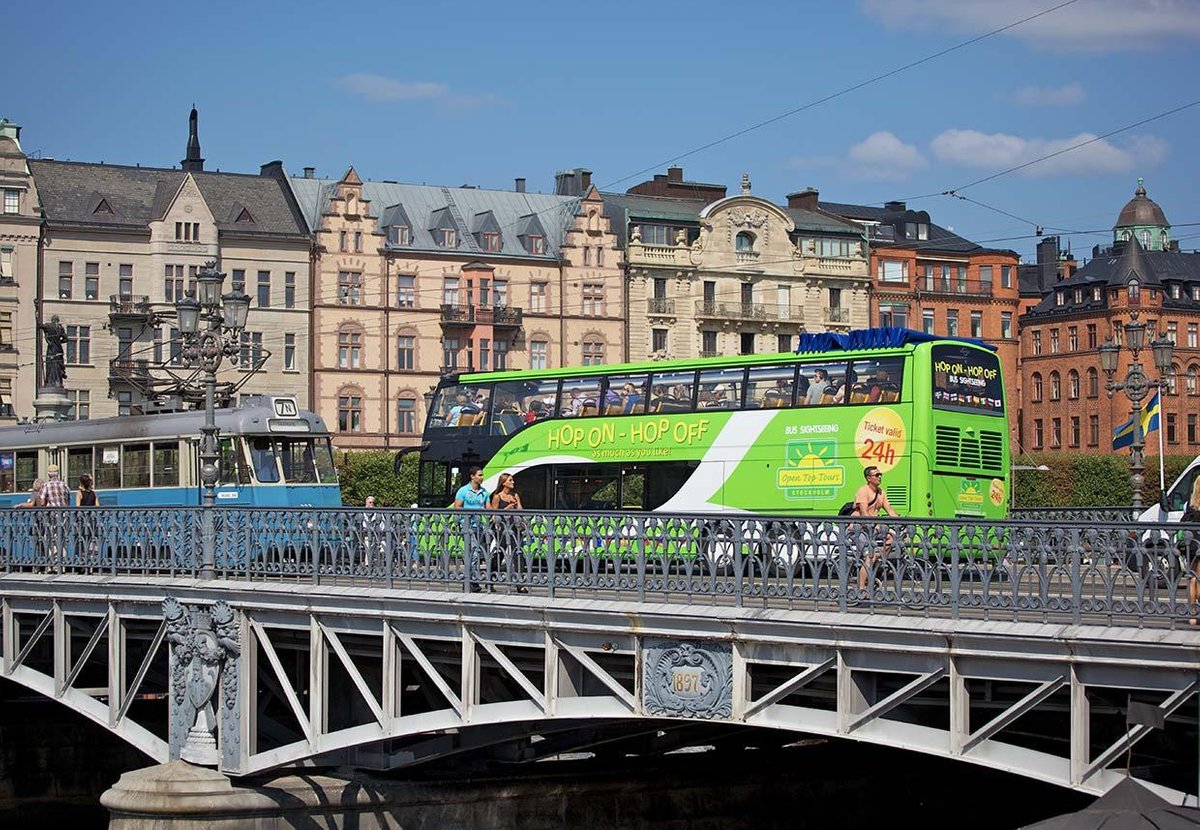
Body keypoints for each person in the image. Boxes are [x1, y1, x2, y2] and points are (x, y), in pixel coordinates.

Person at [853, 465, 899, 591]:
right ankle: (861, 589)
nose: (879, 477)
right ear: (868, 478)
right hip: (859, 529)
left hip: (873, 528)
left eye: (880, 475)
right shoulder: (863, 491)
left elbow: (890, 510)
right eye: (876, 475)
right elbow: (863, 513)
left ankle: (876, 567)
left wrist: (902, 521)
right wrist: (875, 524)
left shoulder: (881, 492)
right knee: (870, 556)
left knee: (891, 538)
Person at [454, 468, 490, 590]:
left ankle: (469, 580)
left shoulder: (484, 492)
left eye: (482, 475)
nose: (482, 477)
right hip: (467, 526)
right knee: (473, 553)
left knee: (475, 553)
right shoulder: (463, 491)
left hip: (479, 527)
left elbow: (489, 508)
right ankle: (471, 581)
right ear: (472, 476)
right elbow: (457, 507)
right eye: (479, 475)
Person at [1183, 478, 1200, 625]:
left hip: (1192, 545)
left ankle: (1192, 615)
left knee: (1192, 578)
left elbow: (1183, 522)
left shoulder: (1191, 506)